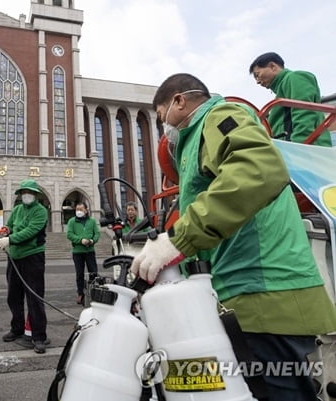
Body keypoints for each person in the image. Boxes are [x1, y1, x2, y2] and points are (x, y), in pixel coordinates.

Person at [130, 73, 336, 400]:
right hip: (246, 298)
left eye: (160, 115)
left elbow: (258, 169)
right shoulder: (195, 140)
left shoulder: (220, 116)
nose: (163, 126)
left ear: (179, 101)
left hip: (267, 295)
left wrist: (176, 240)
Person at [0, 179, 49, 354]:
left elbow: (30, 231)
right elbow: (11, 226)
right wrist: (6, 230)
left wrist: (9, 239)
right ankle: (17, 328)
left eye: (30, 192)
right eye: (24, 192)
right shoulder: (17, 210)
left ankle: (39, 336)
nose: (27, 195)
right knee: (13, 296)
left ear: (35, 194)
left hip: (33, 257)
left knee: (34, 297)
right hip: (14, 258)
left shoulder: (41, 211)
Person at [249, 51, 332, 146]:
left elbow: (303, 113)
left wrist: (300, 146)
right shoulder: (280, 92)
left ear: (272, 66)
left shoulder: (295, 77)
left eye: (257, 75)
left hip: (305, 150)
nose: (257, 82)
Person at [66, 202, 100, 305]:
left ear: (86, 210)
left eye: (81, 209)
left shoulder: (92, 221)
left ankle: (94, 292)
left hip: (90, 251)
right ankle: (80, 293)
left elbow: (97, 234)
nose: (79, 211)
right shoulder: (72, 221)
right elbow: (70, 234)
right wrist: (80, 240)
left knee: (93, 272)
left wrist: (92, 241)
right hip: (77, 252)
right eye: (77, 209)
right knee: (79, 273)